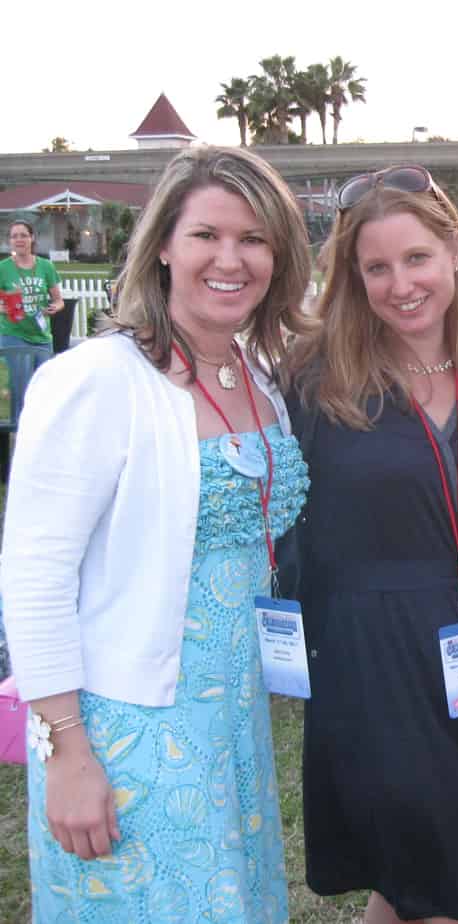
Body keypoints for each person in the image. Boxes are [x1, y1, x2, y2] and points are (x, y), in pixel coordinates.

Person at [0, 145, 313, 920]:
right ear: (164, 245)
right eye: (207, 235)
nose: (230, 259)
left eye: (254, 239)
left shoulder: (257, 376)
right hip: (127, 732)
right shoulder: (98, 380)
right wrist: (67, 750)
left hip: (233, 725)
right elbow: (33, 575)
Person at [282, 165, 458, 924]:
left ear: (455, 250)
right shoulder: (314, 378)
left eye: (417, 257)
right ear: (353, 278)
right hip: (370, 653)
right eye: (377, 267)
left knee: (411, 878)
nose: (401, 284)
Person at [0, 220, 64, 395]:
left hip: (42, 336)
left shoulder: (46, 266)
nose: (19, 240)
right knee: (22, 387)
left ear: (32, 238)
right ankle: (18, 413)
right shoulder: (3, 268)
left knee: (44, 388)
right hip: (14, 334)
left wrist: (54, 307)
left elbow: (59, 300)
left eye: (23, 235)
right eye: (14, 236)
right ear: (10, 241)